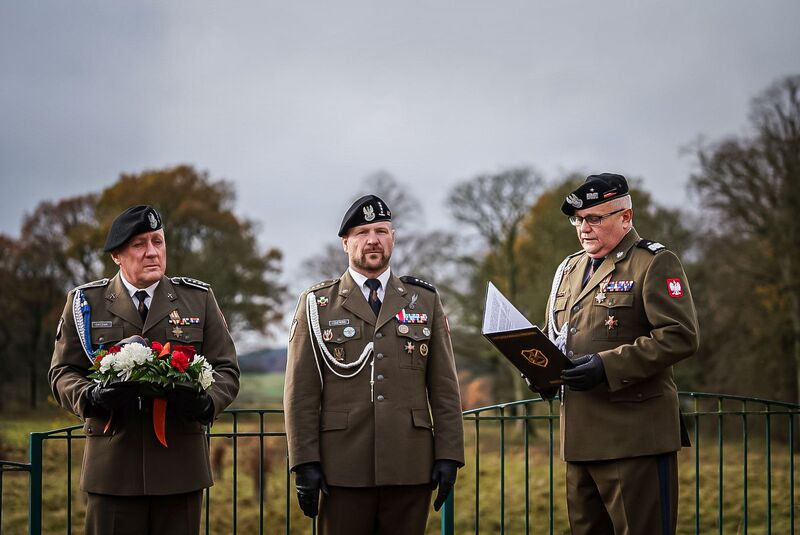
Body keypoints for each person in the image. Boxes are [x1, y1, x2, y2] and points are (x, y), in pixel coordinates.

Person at [49, 205, 239, 535]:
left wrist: (208, 402)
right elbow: (62, 371)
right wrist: (90, 397)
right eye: (139, 244)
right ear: (117, 256)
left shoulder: (197, 298)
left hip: (180, 467)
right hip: (112, 469)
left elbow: (226, 368)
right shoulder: (86, 303)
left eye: (158, 241)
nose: (152, 252)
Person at [526, 173, 699, 535]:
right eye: (578, 219)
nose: (584, 229)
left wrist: (606, 366)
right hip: (578, 439)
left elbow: (679, 336)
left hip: (635, 438)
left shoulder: (652, 262)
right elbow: (556, 336)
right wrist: (536, 368)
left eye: (594, 218)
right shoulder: (569, 269)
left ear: (626, 217)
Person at [284, 194, 464, 535]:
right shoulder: (317, 304)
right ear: (345, 243)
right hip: (342, 467)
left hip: (410, 464)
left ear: (393, 238)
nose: (372, 240)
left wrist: (449, 454)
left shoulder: (424, 300)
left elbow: (444, 386)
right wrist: (304, 461)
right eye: (363, 232)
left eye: (381, 231)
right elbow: (301, 392)